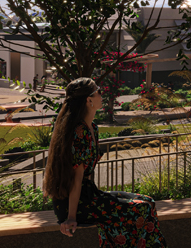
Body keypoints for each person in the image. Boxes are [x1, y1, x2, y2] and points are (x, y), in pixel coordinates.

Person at [44, 77, 166, 247]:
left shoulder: (92, 128)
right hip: (74, 203)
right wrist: (71, 217)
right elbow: (76, 178)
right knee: (141, 209)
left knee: (148, 202)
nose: (102, 96)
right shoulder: (79, 132)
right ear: (89, 100)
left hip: (88, 194)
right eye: (99, 92)